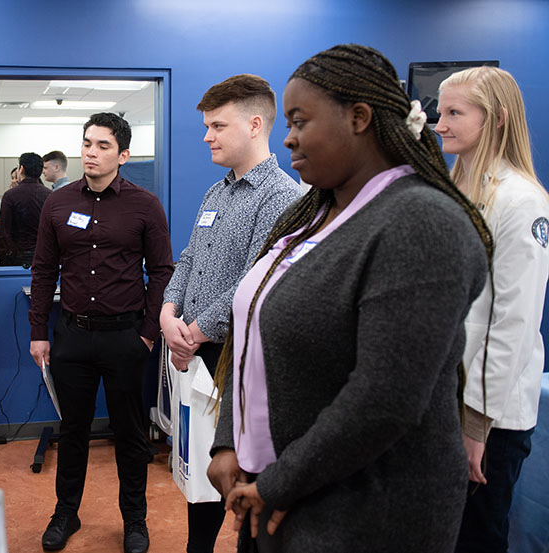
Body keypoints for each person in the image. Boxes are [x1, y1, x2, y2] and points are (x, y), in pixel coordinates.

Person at [207, 44, 492, 553]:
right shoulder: (313, 216)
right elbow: (253, 325)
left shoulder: (420, 222)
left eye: (300, 120)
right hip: (280, 489)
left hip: (365, 509)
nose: (288, 136)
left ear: (359, 118)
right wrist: (230, 439)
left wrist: (277, 483)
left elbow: (383, 400)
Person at [159, 74, 302, 553]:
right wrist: (167, 310)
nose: (207, 136)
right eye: (207, 126)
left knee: (238, 474)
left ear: (256, 124)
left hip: (234, 357)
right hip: (192, 349)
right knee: (198, 473)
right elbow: (191, 259)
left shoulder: (282, 197)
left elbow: (253, 282)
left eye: (218, 125)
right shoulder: (215, 194)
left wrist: (195, 331)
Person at [29, 113, 173, 553]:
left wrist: (149, 333)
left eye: (103, 145)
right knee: (72, 431)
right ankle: (65, 514)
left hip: (126, 338)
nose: (91, 152)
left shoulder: (144, 205)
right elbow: (43, 270)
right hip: (72, 336)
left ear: (122, 155)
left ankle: (135, 521)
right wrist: (39, 331)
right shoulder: (56, 203)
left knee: (130, 435)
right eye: (87, 143)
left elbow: (163, 271)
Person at [436, 67, 549, 553]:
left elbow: (514, 321)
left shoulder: (521, 201)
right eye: (440, 111)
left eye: (454, 113)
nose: (439, 123)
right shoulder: (459, 190)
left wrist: (476, 422)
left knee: (476, 539)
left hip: (487, 421)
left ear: (497, 120)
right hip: (444, 404)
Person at [0, 152, 51, 267]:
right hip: (43, 257)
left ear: (21, 169)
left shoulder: (10, 196)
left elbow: (3, 233)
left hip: (16, 258)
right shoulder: (50, 195)